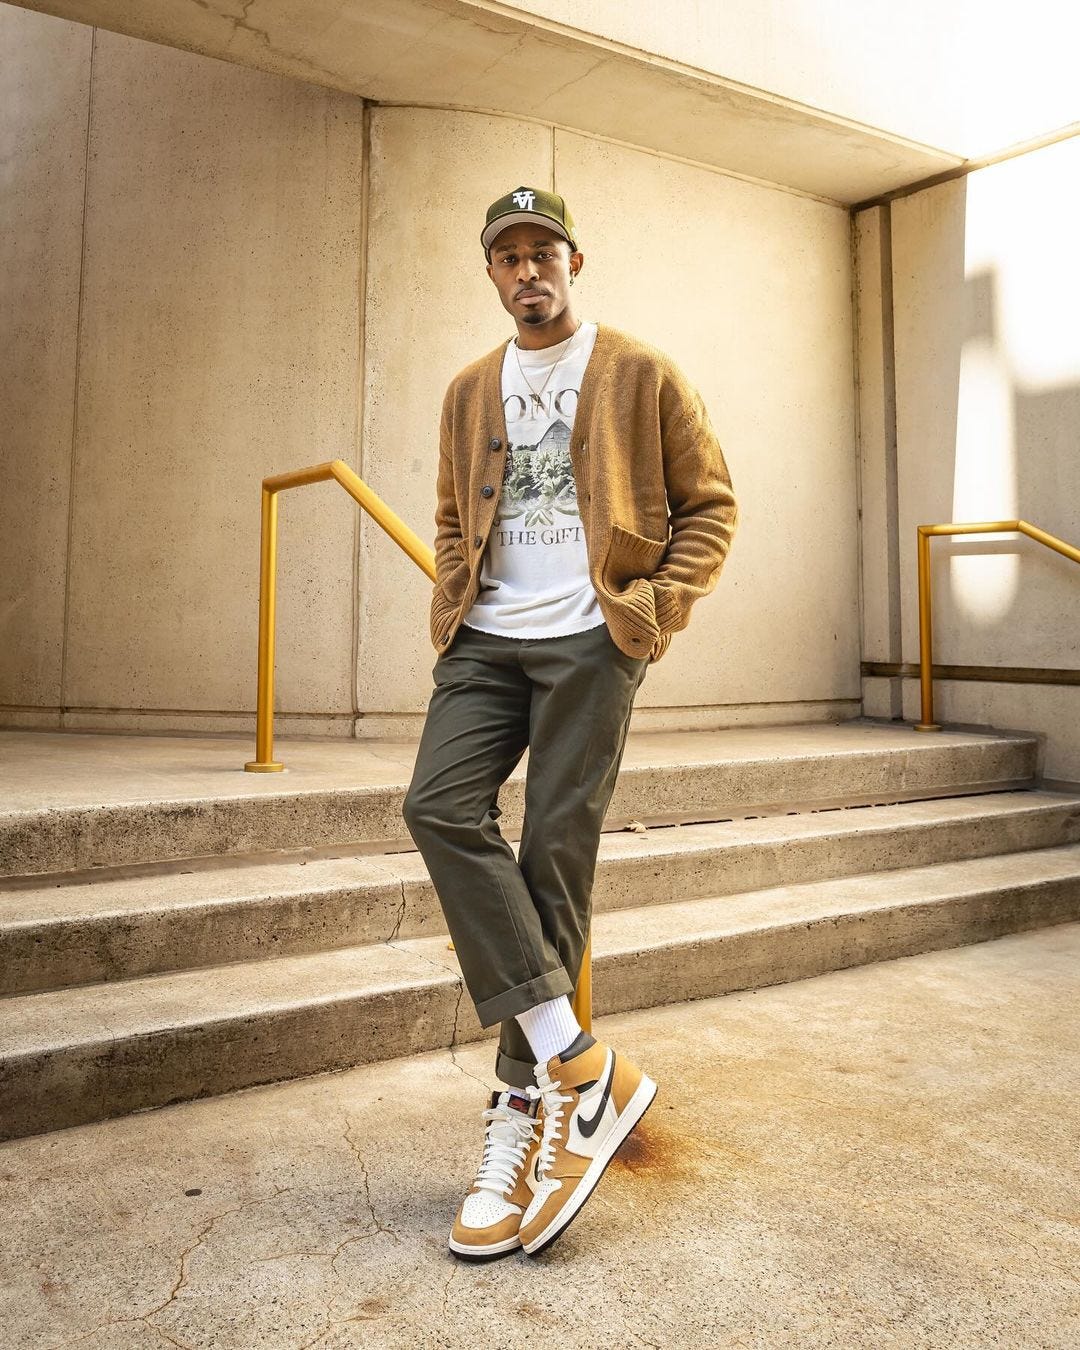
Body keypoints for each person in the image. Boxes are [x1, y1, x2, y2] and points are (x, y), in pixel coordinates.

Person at [402, 186, 738, 1260]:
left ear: (574, 262)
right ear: (492, 275)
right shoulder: (468, 389)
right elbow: (456, 513)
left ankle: (518, 1118)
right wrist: (456, 598)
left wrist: (646, 607)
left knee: (553, 856)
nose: (527, 270)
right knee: (437, 806)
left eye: (543, 252)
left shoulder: (640, 372)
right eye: (508, 258)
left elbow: (713, 505)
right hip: (488, 640)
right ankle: (579, 1064)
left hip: (593, 638)